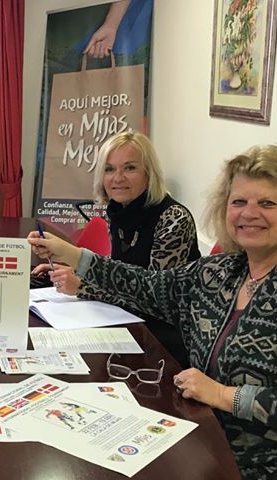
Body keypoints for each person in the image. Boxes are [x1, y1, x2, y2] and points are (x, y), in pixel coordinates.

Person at [28, 144, 277, 479]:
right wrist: (75, 256)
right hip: (210, 435)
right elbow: (148, 286)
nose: (249, 213)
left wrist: (223, 395)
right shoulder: (222, 270)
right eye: (239, 202)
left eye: (267, 203)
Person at [34, 131, 200, 366]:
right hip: (126, 323)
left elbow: (155, 298)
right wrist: (72, 268)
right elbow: (118, 273)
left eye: (130, 168)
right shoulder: (118, 212)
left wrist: (83, 286)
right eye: (109, 169)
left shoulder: (174, 219)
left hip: (165, 339)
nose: (118, 178)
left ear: (149, 173)